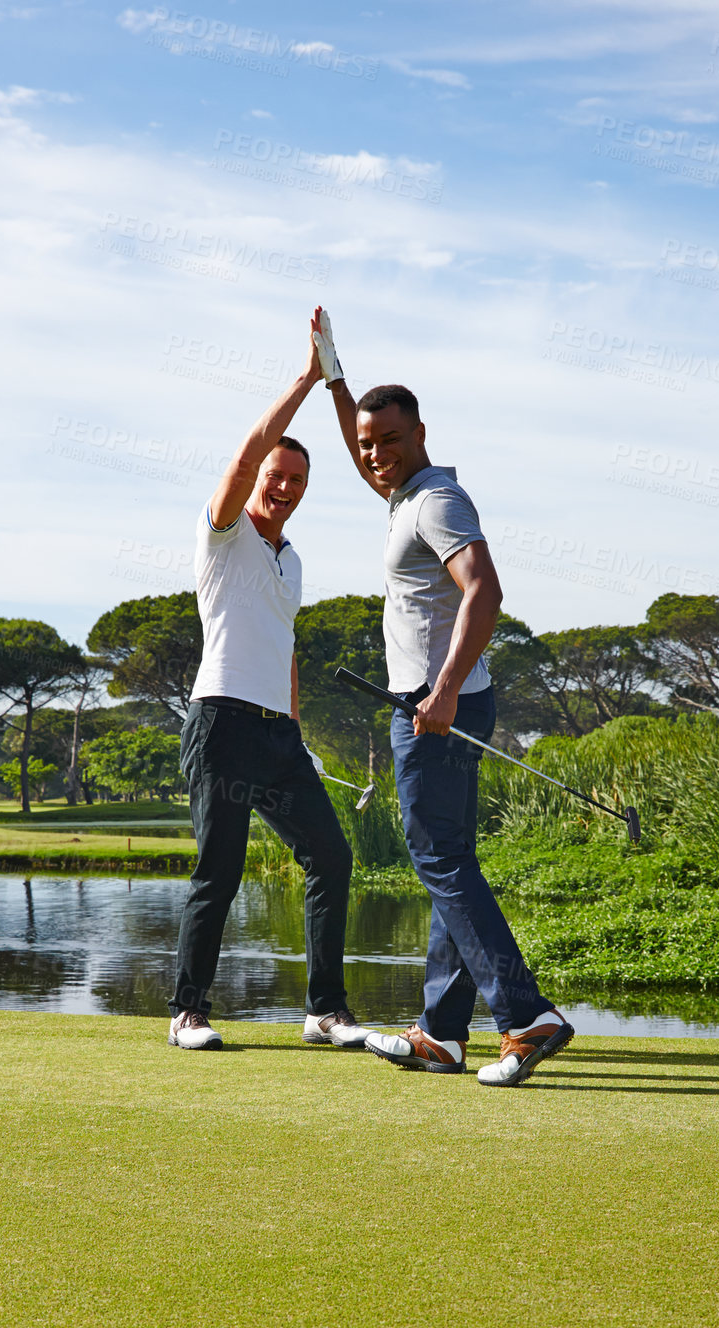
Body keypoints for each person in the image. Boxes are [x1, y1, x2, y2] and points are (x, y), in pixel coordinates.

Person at [312, 310, 574, 1087]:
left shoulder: (434, 501)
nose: (375, 455)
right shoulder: (403, 494)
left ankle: (526, 1017)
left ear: (421, 434)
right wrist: (333, 378)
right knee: (448, 863)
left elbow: (484, 590)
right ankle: (441, 1034)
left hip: (436, 708)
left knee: (439, 860)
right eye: (368, 444)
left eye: (390, 440)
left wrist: (445, 691)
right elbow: (361, 447)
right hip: (442, 703)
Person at [167, 313, 370, 1054]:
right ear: (257, 478)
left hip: (277, 737)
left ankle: (324, 1011)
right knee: (218, 872)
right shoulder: (223, 534)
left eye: (296, 482)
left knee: (330, 858)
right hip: (220, 724)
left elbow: (285, 648)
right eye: (275, 477)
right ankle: (187, 1013)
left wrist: (296, 730)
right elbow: (249, 450)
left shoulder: (293, 560)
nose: (283, 487)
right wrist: (310, 379)